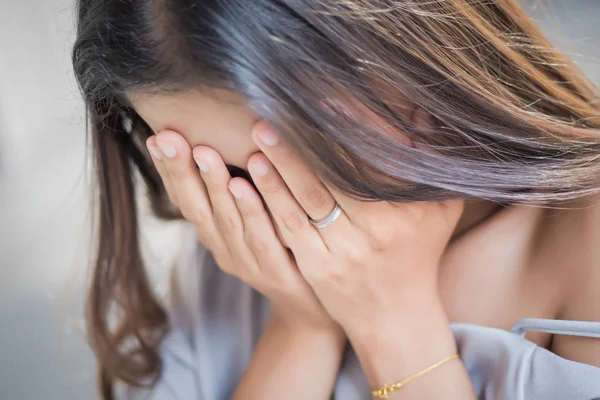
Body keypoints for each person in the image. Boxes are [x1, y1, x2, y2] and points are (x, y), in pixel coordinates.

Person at [71, 0, 600, 399]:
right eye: (227, 172)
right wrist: (302, 323)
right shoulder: (232, 257)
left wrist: (393, 324)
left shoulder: (586, 238)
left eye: (299, 157)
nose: (282, 209)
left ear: (414, 48)